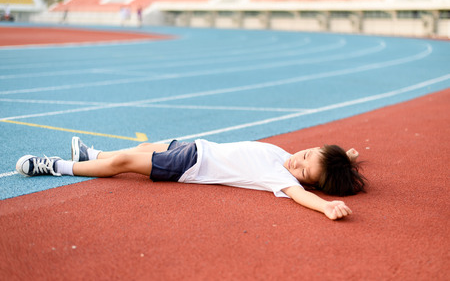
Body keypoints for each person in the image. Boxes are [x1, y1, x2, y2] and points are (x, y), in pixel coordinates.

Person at [16, 137, 366, 220]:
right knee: (138, 147)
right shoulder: (285, 155)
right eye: (305, 156)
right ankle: (90, 157)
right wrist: (347, 158)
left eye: (304, 172)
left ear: (307, 182)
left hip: (188, 167)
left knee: (124, 161)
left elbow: (301, 195)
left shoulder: (279, 175)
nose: (297, 163)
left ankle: (55, 166)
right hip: (195, 147)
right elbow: (323, 161)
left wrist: (326, 206)